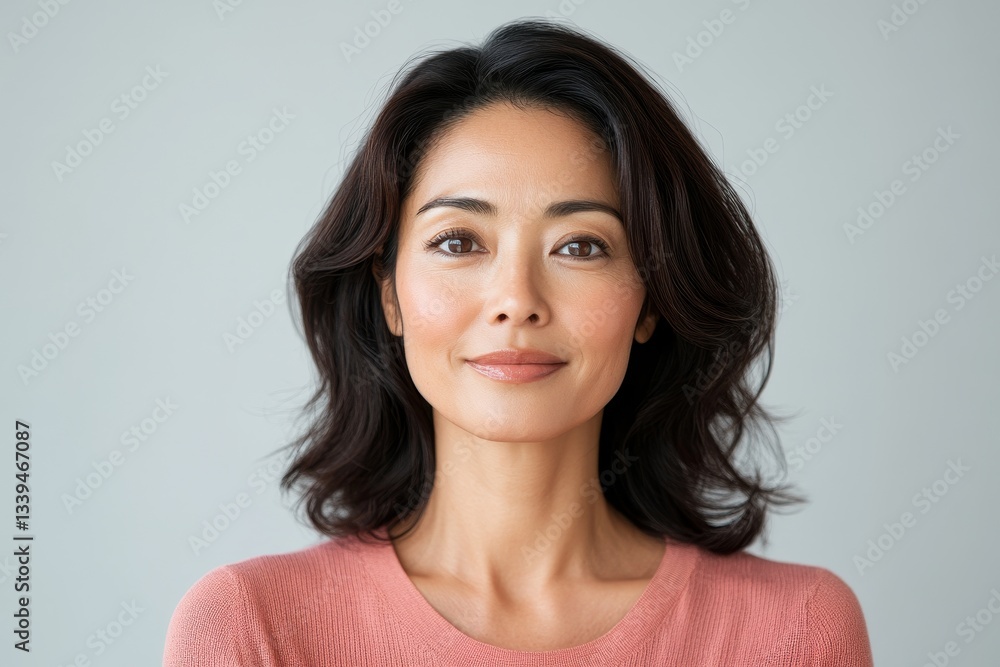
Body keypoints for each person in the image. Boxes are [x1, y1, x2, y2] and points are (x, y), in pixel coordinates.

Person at [163, 17, 874, 666]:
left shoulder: (796, 631)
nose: (516, 301)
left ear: (649, 300)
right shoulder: (250, 627)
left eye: (580, 246)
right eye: (457, 240)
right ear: (389, 293)